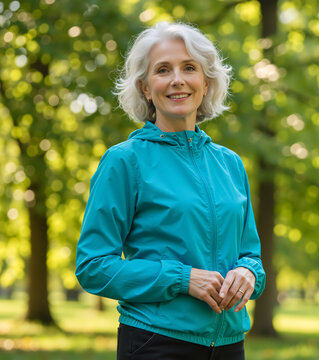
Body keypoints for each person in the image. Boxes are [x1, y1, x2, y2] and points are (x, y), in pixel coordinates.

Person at [75, 22, 265, 360]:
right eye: (163, 70)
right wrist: (182, 278)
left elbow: (251, 255)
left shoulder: (230, 164)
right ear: (146, 88)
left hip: (230, 345)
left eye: (189, 67)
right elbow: (93, 266)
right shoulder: (124, 161)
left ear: (206, 83)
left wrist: (248, 273)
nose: (177, 79)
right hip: (155, 343)